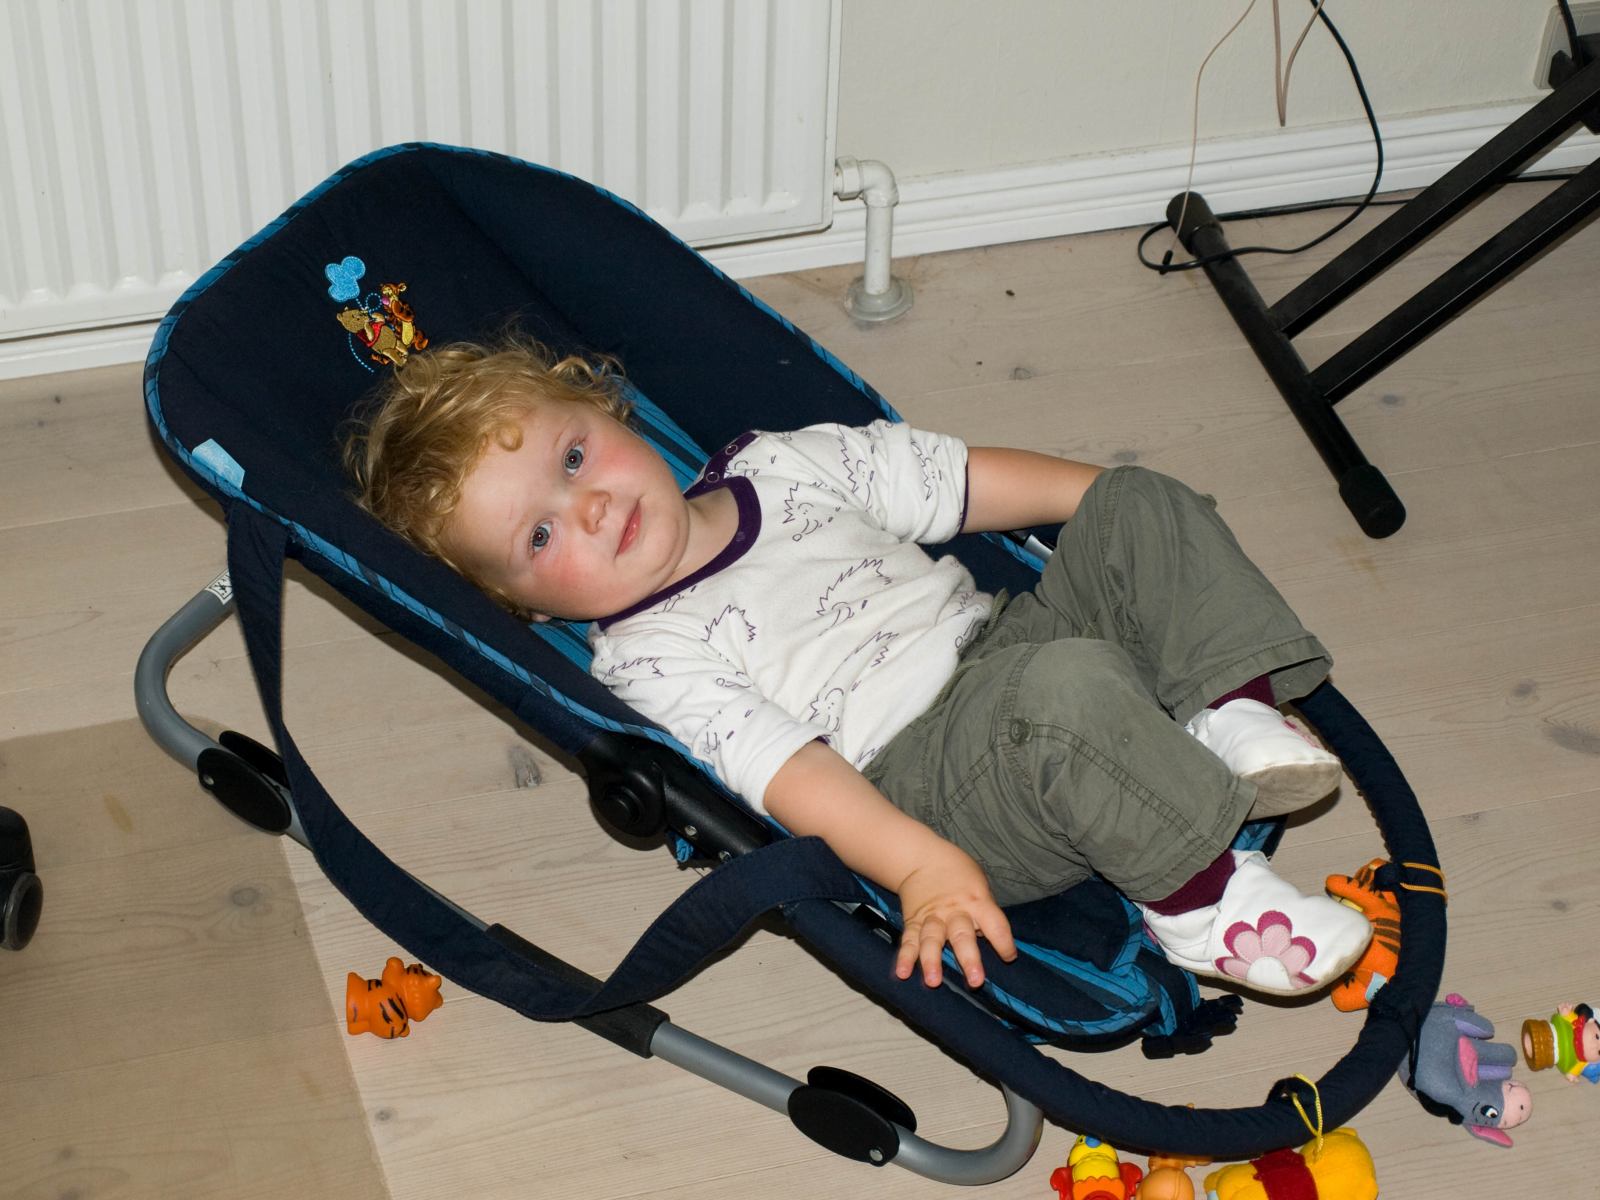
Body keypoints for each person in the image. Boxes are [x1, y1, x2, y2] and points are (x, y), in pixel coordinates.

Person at [345, 334, 1372, 999]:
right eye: (538, 537)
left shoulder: (778, 465)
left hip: (1012, 640)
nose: (590, 507)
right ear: (524, 607)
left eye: (573, 459)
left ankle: (1226, 713)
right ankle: (1201, 902)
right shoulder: (651, 656)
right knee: (1065, 695)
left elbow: (964, 483)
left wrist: (1129, 530)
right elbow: (794, 774)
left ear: (612, 412)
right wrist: (919, 868)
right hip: (937, 783)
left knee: (1136, 499)